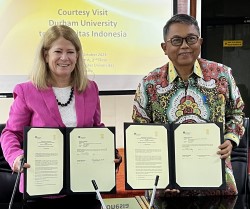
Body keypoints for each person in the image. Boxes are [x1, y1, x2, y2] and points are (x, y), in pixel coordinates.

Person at [0, 25, 122, 199]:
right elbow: (11, 133)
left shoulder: (90, 88)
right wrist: (16, 158)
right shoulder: (27, 91)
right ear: (45, 55)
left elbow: (96, 128)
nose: (65, 58)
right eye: (58, 51)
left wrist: (110, 151)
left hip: (83, 186)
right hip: (41, 190)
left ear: (77, 55)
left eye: (70, 52)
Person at [132, 14, 245, 197]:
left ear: (200, 42)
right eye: (176, 40)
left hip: (216, 181)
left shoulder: (222, 75)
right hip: (167, 185)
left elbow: (237, 112)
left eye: (191, 39)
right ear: (164, 47)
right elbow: (140, 131)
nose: (185, 46)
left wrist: (230, 139)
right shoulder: (149, 84)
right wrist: (161, 175)